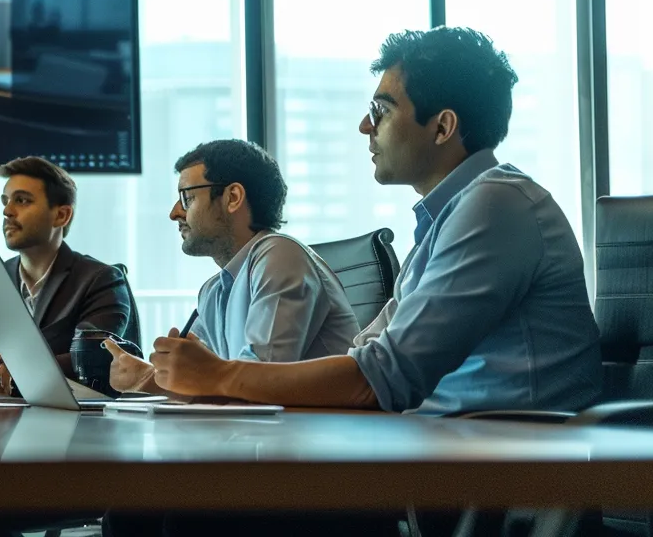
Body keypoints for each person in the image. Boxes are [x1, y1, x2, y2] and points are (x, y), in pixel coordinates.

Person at [145, 27, 602, 418]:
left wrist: (221, 377)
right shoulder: (449, 217)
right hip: (451, 448)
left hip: (510, 469)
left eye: (380, 111)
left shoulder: (497, 204)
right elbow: (362, 356)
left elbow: (384, 377)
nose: (366, 126)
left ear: (442, 128)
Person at [108, 140, 359, 395]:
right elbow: (202, 381)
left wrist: (149, 379)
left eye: (187, 197)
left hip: (316, 432)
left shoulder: (279, 255)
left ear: (233, 198)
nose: (175, 213)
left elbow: (260, 379)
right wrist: (155, 374)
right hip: (260, 432)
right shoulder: (213, 291)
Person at [0, 156, 133, 395]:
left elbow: (95, 357)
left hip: (82, 421)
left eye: (22, 200)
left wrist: (17, 367)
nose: (7, 211)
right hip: (1, 417)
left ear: (61, 216)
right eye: (5, 202)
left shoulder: (100, 279)